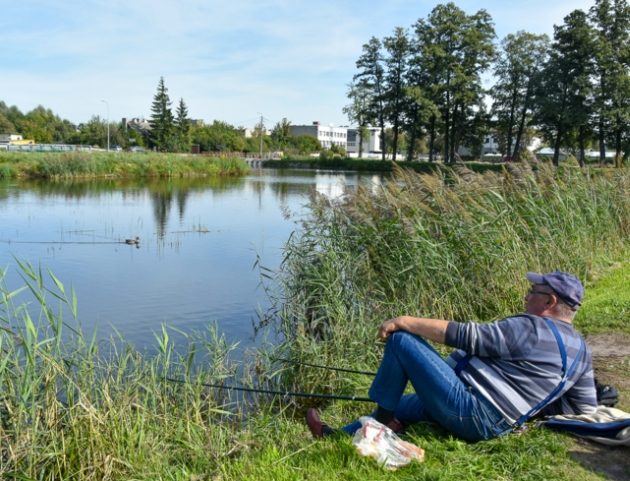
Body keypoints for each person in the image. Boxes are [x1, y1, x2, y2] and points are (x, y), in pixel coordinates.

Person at [306, 271, 597, 442]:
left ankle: (378, 426)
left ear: (550, 301)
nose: (527, 295)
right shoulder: (582, 350)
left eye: (534, 291)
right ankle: (337, 437)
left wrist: (404, 320)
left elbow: (467, 336)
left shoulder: (530, 327)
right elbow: (583, 409)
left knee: (402, 341)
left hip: (471, 411)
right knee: (404, 405)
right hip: (493, 420)